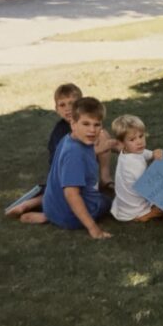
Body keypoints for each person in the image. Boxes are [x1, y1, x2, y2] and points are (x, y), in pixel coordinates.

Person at [6, 83, 115, 221]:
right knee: (77, 196)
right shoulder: (61, 133)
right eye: (62, 105)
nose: (68, 109)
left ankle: (105, 178)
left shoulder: (86, 127)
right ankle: (39, 211)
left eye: (71, 103)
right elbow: (71, 161)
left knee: (103, 135)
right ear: (56, 109)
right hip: (63, 175)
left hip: (76, 174)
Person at [41, 97, 113, 239]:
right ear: (73, 124)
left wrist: (108, 146)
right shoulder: (74, 155)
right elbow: (71, 194)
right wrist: (94, 229)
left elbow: (86, 154)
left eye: (97, 125)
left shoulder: (70, 138)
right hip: (71, 217)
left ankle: (47, 215)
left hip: (52, 207)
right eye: (86, 124)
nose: (92, 130)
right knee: (110, 202)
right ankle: (54, 218)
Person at [110, 114, 163, 223]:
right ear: (122, 143)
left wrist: (154, 154)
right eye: (132, 139)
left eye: (141, 136)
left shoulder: (127, 152)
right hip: (135, 208)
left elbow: (145, 154)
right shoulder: (134, 165)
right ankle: (146, 216)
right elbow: (149, 187)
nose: (139, 142)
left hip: (124, 204)